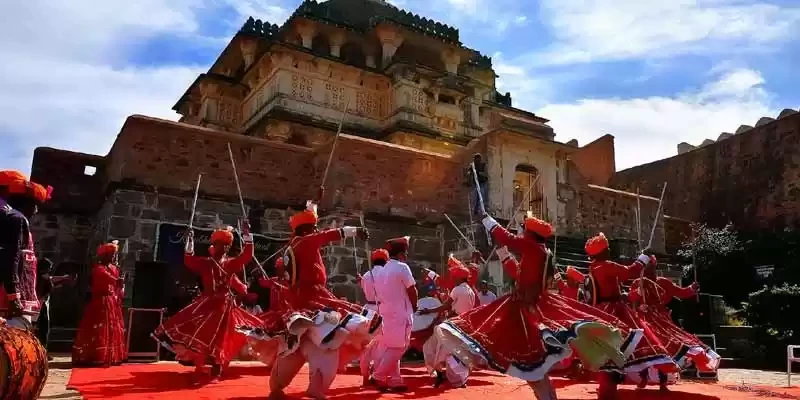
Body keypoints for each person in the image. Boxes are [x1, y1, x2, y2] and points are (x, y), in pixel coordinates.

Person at [432, 212, 638, 400]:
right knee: (534, 370)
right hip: (529, 307)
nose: (521, 232)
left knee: (531, 367)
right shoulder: (540, 251)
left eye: (524, 229)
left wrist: (487, 220)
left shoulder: (533, 248)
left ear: (531, 234)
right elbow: (520, 273)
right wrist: (504, 254)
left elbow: (507, 238)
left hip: (524, 309)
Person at [248, 200, 377, 400]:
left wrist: (312, 210)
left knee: (293, 348)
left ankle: (277, 385)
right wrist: (355, 230)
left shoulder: (295, 244)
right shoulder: (306, 241)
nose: (316, 230)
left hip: (297, 304)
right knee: (326, 341)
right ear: (308, 229)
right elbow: (328, 235)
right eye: (314, 227)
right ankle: (314, 387)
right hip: (313, 300)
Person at [153, 223, 264, 383]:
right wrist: (190, 241)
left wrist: (247, 235)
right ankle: (200, 368)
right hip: (205, 304)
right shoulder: (205, 263)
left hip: (223, 307)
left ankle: (217, 371)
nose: (219, 247)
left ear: (227, 247)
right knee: (199, 335)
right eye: (217, 244)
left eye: (223, 245)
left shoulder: (231, 263)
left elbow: (246, 256)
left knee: (219, 339)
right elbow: (189, 260)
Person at [583, 233, 679, 397]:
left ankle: (609, 387)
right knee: (632, 344)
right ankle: (610, 389)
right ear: (604, 252)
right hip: (614, 312)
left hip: (600, 312)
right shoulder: (606, 266)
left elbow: (608, 290)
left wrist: (627, 296)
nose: (610, 251)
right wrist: (644, 257)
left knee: (609, 352)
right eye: (607, 249)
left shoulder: (593, 268)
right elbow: (630, 272)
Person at [629, 257, 720, 384]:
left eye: (652, 267)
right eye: (647, 267)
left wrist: (691, 289)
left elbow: (681, 292)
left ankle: (663, 381)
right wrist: (638, 298)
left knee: (670, 346)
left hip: (662, 322)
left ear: (655, 267)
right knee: (644, 348)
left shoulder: (663, 282)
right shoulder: (637, 283)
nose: (650, 270)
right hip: (644, 320)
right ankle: (644, 376)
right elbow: (631, 298)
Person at [0, 170, 51, 331]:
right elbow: (11, 258)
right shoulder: (17, 219)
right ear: (24, 202)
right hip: (11, 298)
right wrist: (13, 296)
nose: (36, 211)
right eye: (35, 204)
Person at [420, 255, 478, 388]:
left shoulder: (457, 289)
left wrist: (428, 311)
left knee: (438, 350)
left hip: (454, 324)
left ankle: (444, 375)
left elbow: (445, 306)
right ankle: (457, 378)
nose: (452, 278)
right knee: (454, 351)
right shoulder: (471, 291)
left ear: (458, 277)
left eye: (454, 276)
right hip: (464, 325)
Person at [370, 236, 418, 392]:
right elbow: (412, 290)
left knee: (391, 346)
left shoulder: (382, 270)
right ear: (402, 253)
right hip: (400, 312)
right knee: (399, 347)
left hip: (385, 312)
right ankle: (378, 375)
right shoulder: (402, 267)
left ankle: (395, 380)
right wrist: (415, 306)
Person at [72, 241, 128, 366]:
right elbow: (108, 279)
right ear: (105, 255)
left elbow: (117, 285)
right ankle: (95, 355)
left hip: (111, 301)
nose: (114, 257)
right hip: (100, 301)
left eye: (114, 254)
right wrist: (118, 281)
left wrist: (120, 288)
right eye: (111, 254)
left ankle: (109, 356)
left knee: (112, 328)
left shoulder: (114, 268)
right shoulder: (99, 269)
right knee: (99, 328)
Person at [357, 248, 389, 385]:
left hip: (367, 310)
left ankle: (365, 375)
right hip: (382, 310)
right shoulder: (387, 273)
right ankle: (376, 375)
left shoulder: (366, 275)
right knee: (381, 344)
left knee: (366, 344)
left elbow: (365, 288)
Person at [35, 258, 74, 359]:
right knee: (43, 330)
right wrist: (62, 280)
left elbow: (52, 279)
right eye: (49, 267)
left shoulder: (40, 276)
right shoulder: (42, 277)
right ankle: (41, 353)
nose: (50, 269)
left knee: (43, 330)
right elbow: (49, 284)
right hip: (40, 305)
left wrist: (63, 279)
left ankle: (42, 352)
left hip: (42, 304)